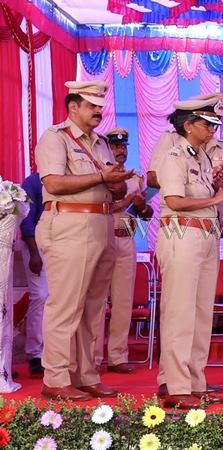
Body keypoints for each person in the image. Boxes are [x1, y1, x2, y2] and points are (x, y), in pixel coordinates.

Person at [35, 80, 135, 400]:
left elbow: (114, 189)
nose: (98, 111)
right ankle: (55, 377)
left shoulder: (102, 143)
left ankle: (85, 375)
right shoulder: (55, 137)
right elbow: (53, 183)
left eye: (100, 106)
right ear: (73, 107)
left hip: (102, 223)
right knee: (65, 306)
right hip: (69, 224)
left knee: (93, 307)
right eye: (91, 106)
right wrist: (103, 177)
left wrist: (118, 183)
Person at [155, 96, 223, 408]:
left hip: (206, 236)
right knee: (179, 312)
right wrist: (216, 199)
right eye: (207, 124)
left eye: (214, 124)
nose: (212, 130)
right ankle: (176, 386)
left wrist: (220, 192)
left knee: (202, 313)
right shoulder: (174, 156)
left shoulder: (203, 157)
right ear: (189, 125)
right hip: (182, 233)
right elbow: (174, 201)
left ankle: (194, 381)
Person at [94, 128, 153, 374]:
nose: (120, 151)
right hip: (102, 238)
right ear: (107, 148)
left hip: (126, 239)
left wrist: (141, 205)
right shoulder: (98, 175)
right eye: (116, 146)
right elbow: (102, 206)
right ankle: (93, 357)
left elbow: (146, 215)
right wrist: (128, 201)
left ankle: (118, 356)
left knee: (123, 300)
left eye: (123, 147)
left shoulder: (135, 178)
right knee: (96, 301)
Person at [19, 172, 46, 377]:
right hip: (35, 245)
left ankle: (54, 351)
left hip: (62, 244)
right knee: (41, 296)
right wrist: (34, 253)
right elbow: (26, 219)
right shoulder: (33, 182)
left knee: (58, 298)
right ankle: (35, 353)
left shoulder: (70, 177)